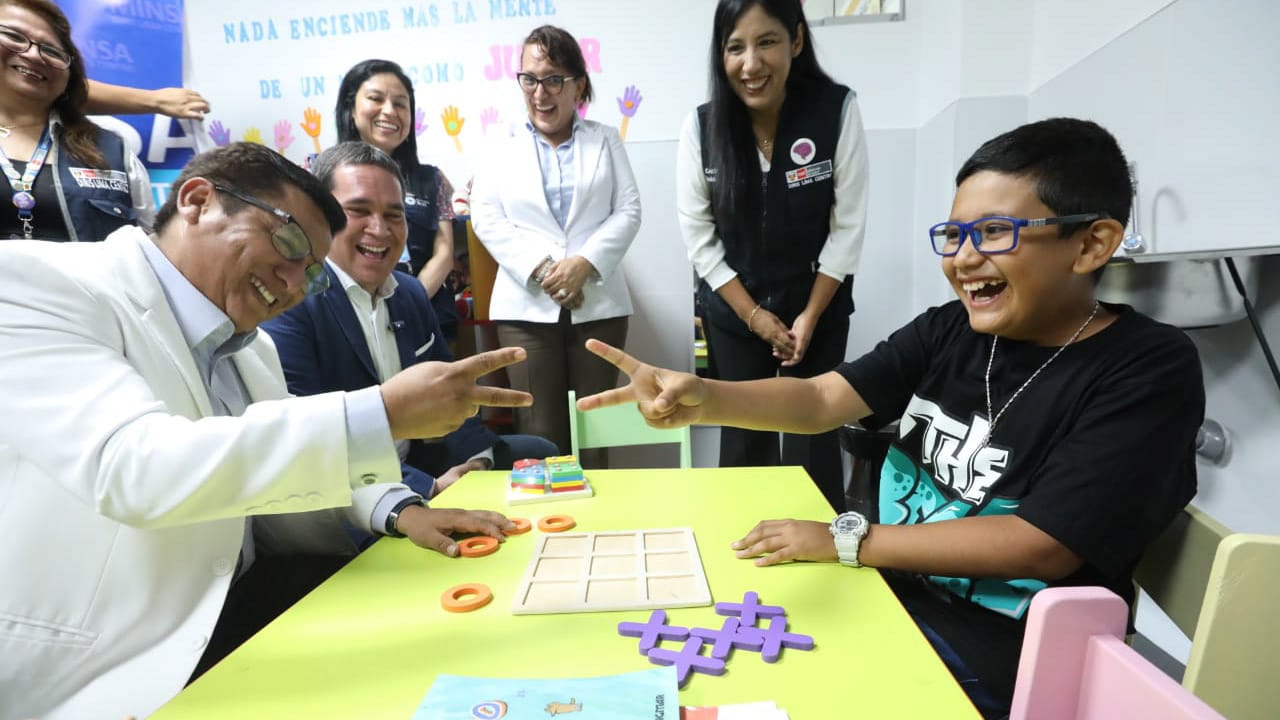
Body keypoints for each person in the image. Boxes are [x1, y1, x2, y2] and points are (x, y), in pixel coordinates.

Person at [579, 118, 1204, 717]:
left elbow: (1042, 544)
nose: (963, 259)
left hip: (1005, 652)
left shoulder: (1147, 367)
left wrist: (846, 540)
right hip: (889, 589)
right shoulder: (949, 330)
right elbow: (824, 398)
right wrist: (705, 399)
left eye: (993, 233)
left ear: (1091, 243)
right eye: (953, 236)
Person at [0, 141, 531, 720]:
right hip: (116, 655)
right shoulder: (38, 284)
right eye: (288, 243)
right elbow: (133, 468)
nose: (294, 283)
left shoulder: (251, 351)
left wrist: (402, 509)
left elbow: (279, 472)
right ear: (198, 199)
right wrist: (383, 412)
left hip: (246, 601)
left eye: (312, 273)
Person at [265, 142, 557, 499]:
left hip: (421, 461)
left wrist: (476, 465)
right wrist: (428, 487)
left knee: (539, 452)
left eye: (394, 214)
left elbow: (454, 394)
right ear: (321, 217)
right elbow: (310, 442)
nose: (380, 229)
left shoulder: (410, 294)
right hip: (349, 489)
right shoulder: (291, 303)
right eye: (358, 210)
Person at [677, 0, 870, 511]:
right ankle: (742, 546)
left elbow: (847, 226)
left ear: (797, 41)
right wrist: (755, 315)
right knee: (744, 438)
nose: (750, 64)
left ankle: (820, 550)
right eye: (735, 47)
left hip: (819, 309)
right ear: (720, 55)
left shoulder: (836, 110)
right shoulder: (702, 127)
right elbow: (699, 238)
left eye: (767, 42)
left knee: (814, 437)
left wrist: (809, 315)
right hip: (734, 312)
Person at [470, 24, 641, 464]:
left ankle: (600, 523)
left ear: (578, 84)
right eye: (529, 79)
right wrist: (545, 270)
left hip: (598, 303)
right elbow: (486, 215)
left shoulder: (604, 139)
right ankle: (546, 524)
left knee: (596, 424)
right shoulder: (499, 143)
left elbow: (628, 210)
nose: (539, 93)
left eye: (552, 80)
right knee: (539, 431)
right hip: (526, 305)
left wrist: (584, 262)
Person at [0, 0, 154, 241]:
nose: (33, 55)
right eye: (14, 36)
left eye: (52, 51)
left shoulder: (111, 149)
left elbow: (150, 246)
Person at [333, 59, 461, 340]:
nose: (390, 111)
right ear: (350, 109)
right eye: (376, 99)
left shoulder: (432, 179)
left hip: (425, 315)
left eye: (401, 104)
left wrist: (405, 303)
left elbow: (444, 253)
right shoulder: (321, 172)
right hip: (346, 320)